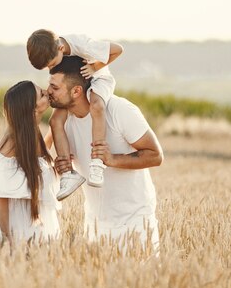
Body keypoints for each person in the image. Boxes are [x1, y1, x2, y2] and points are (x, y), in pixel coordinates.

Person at [48, 56, 163, 250]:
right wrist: (59, 167)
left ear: (76, 91)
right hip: (94, 224)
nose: (48, 91)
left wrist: (112, 159)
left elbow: (155, 155)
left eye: (55, 87)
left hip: (135, 223)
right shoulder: (62, 123)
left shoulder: (119, 110)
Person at [27, 29, 124, 199]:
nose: (51, 68)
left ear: (61, 48)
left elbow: (118, 49)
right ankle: (67, 173)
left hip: (97, 78)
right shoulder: (53, 50)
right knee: (55, 121)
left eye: (50, 64)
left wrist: (95, 67)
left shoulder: (83, 44)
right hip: (74, 83)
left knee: (96, 106)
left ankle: (97, 162)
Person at [0, 81, 60, 245]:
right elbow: (1, 199)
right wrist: (7, 239)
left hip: (35, 223)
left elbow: (38, 160)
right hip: (17, 226)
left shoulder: (30, 133)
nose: (47, 91)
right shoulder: (12, 145)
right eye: (42, 94)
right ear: (32, 109)